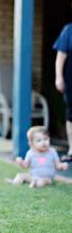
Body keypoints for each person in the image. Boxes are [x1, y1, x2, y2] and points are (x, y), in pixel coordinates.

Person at [53, 23, 72, 162]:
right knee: (71, 115)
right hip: (71, 79)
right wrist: (59, 77)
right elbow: (61, 56)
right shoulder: (69, 30)